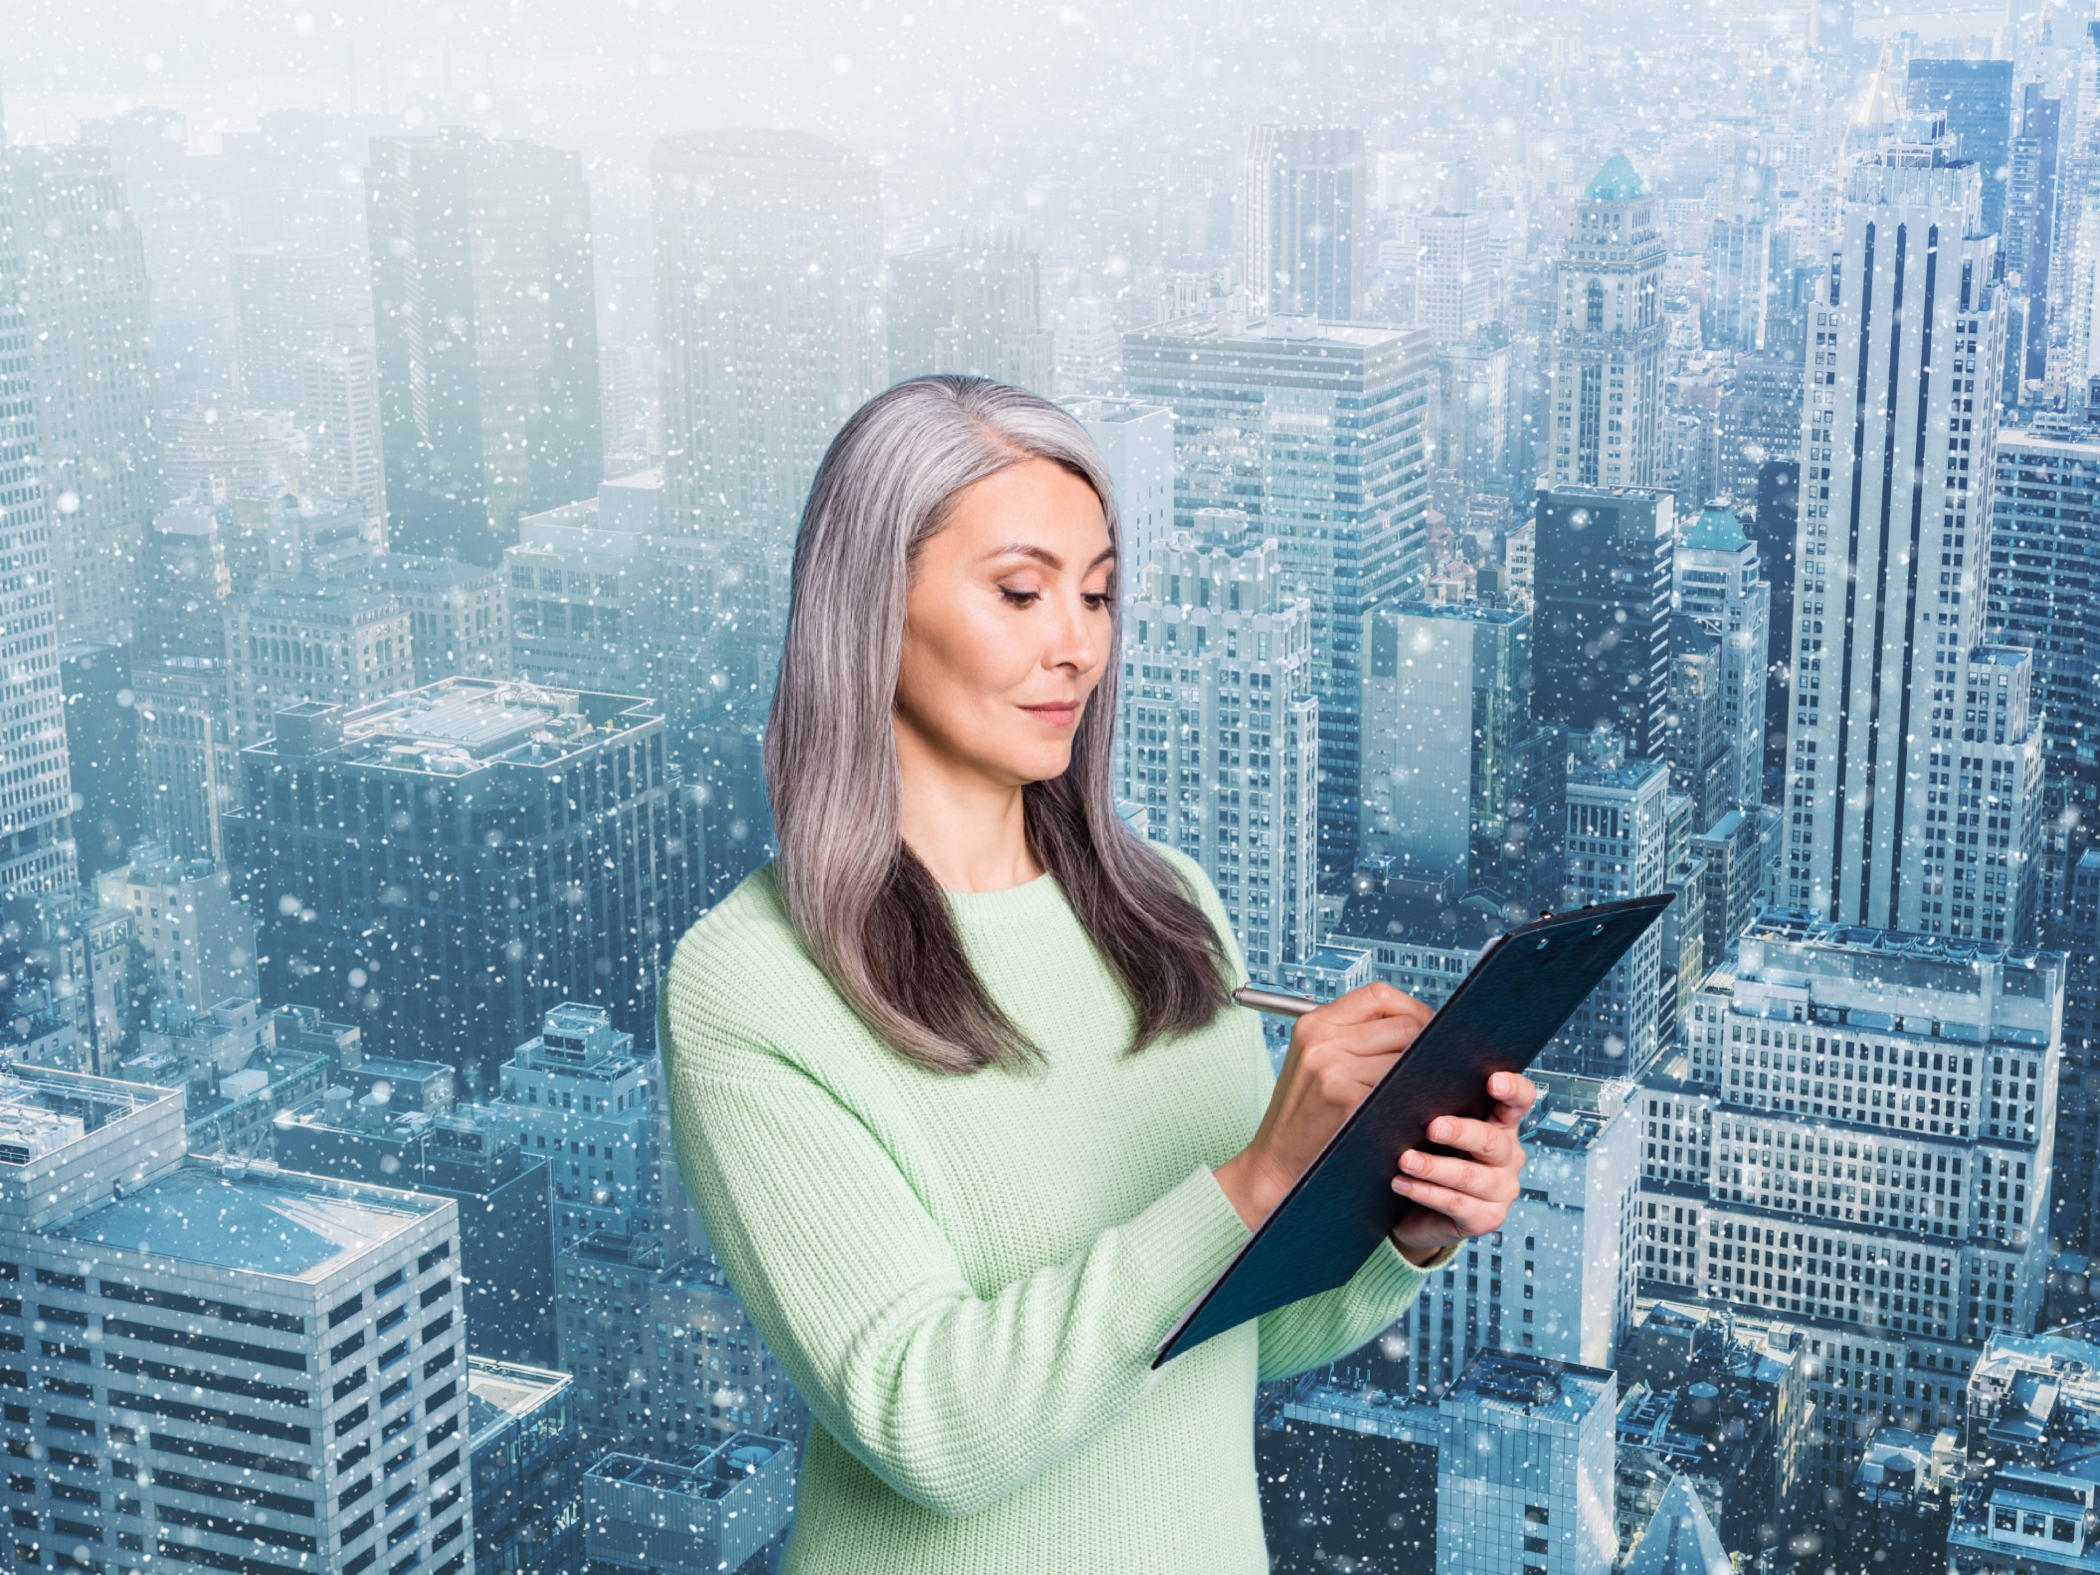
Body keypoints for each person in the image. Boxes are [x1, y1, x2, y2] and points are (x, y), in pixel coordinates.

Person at [658, 375, 1537, 1575]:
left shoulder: (1166, 909)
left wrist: (1403, 1222)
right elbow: (932, 1427)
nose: (1077, 645)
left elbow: (1234, 1339)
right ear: (870, 608)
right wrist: (1253, 1182)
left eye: (1099, 593)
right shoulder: (754, 985)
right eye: (1021, 592)